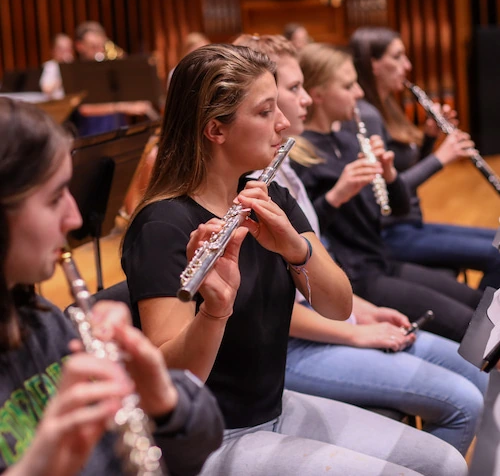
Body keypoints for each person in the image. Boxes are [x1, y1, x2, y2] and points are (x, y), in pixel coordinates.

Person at [122, 42, 469, 475]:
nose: (284, 124)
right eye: (266, 111)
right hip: (211, 438)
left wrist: (296, 249)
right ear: (215, 129)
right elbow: (174, 384)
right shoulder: (162, 227)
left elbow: (338, 307)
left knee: (446, 463)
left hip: (276, 405)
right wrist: (215, 310)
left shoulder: (270, 195)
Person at [234, 33, 487, 455]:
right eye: (288, 93)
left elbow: (364, 232)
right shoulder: (255, 188)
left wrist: (363, 314)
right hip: (298, 341)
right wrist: (355, 332)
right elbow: (278, 306)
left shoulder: (289, 173)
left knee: (475, 366)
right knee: (463, 394)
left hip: (344, 297)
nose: (299, 106)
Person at [0, 97, 224, 476]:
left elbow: (201, 443)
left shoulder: (39, 320)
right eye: (55, 198)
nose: (74, 218)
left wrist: (162, 398)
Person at [292, 42, 483, 343]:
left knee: (480, 306)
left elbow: (398, 209)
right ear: (318, 94)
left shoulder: (349, 136)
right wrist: (336, 196)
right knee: (469, 325)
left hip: (381, 259)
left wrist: (390, 174)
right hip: (355, 278)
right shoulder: (301, 155)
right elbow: (301, 235)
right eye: (348, 85)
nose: (358, 93)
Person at [348, 26, 500, 291]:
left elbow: (399, 171)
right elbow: (384, 191)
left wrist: (430, 139)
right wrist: (441, 157)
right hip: (391, 234)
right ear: (374, 65)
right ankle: (482, 322)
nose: (407, 65)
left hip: (410, 225)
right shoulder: (367, 115)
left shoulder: (388, 106)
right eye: (397, 57)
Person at [72, 21, 156, 137]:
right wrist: (123, 107)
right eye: (93, 47)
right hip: (91, 137)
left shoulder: (110, 71)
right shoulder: (75, 72)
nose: (98, 51)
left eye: (101, 46)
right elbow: (84, 108)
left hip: (118, 133)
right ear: (79, 46)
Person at [39, 33, 75, 99]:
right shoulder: (50, 66)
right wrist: (64, 76)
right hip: (56, 103)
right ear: (53, 51)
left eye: (68, 49)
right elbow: (46, 89)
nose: (65, 52)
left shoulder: (75, 66)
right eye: (61, 49)